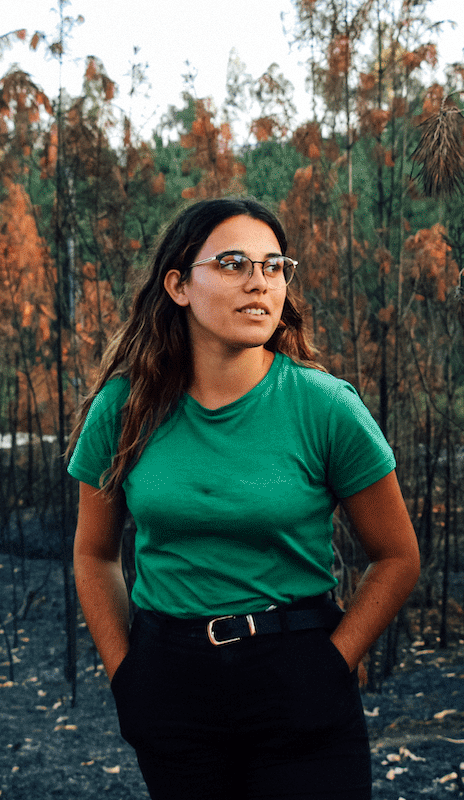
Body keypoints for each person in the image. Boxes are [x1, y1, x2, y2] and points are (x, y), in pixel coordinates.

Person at [68, 196, 420, 800]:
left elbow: (397, 557)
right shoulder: (124, 408)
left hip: (296, 669)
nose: (258, 282)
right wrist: (125, 674)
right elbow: (94, 554)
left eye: (274, 265)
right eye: (232, 263)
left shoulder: (325, 406)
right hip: (169, 679)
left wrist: (334, 664)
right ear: (178, 285)